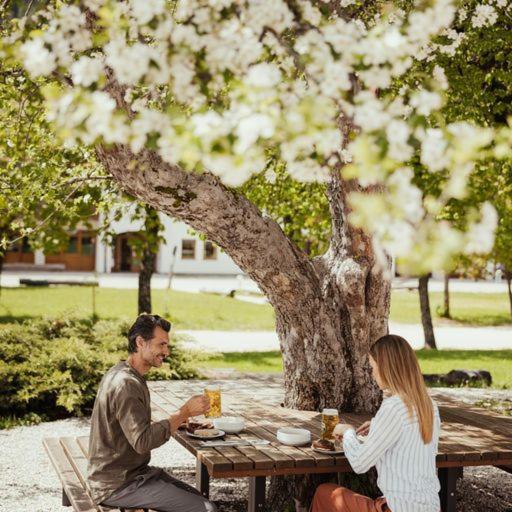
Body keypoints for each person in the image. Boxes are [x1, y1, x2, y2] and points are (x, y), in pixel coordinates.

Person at [87, 314, 216, 512]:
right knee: (206, 509)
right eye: (161, 345)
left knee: (199, 499)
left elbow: (133, 426)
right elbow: (142, 442)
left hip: (130, 474)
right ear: (140, 342)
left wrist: (177, 421)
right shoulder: (126, 383)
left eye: (167, 345)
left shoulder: (123, 372)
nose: (166, 352)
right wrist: (184, 413)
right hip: (117, 484)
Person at [311, 334, 441, 512]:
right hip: (430, 506)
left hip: (399, 508)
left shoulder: (393, 407)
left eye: (373, 367)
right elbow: (410, 437)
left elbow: (359, 463)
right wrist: (378, 426)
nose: (372, 374)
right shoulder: (429, 404)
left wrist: (349, 431)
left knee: (324, 492)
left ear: (386, 368)